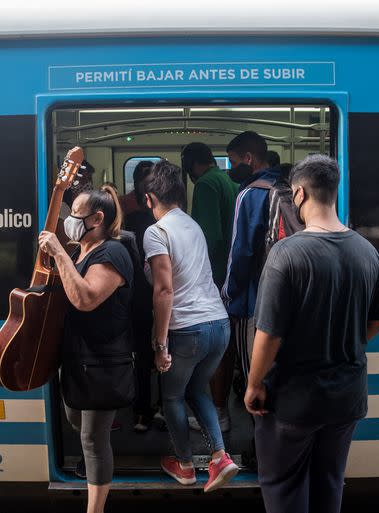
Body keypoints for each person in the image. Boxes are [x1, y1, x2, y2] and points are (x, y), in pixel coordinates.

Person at [244, 155, 379, 513]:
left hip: (296, 400)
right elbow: (378, 322)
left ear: (298, 195)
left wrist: (254, 384)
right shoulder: (367, 252)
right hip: (347, 400)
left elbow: (269, 333)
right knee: (329, 485)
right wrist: (340, 345)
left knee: (285, 490)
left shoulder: (287, 254)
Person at [142, 161, 239, 492]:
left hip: (187, 330)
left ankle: (184, 464)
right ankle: (220, 457)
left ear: (149, 199)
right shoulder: (193, 225)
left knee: (171, 396)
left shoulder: (157, 232)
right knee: (198, 390)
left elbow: (164, 290)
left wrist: (160, 345)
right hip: (218, 325)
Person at [39, 185, 134, 513]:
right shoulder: (82, 251)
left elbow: (86, 298)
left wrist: (59, 252)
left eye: (75, 215)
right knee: (81, 426)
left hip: (102, 364)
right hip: (79, 361)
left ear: (97, 218)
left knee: (93, 440)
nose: (69, 221)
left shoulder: (112, 254)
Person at [181, 142, 238, 432]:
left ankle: (217, 412)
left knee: (216, 348)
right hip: (233, 275)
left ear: (190, 165)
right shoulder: (228, 179)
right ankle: (222, 408)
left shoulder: (204, 185)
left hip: (214, 277)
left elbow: (208, 237)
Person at [222, 131, 280, 386]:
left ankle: (259, 423)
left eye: (233, 162)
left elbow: (240, 252)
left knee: (254, 378)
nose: (231, 169)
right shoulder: (286, 186)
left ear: (248, 158)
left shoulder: (249, 194)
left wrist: (228, 294)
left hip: (254, 301)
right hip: (285, 293)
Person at [123, 160, 160, 432]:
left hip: (154, 289)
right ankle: (144, 409)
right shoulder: (133, 214)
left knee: (157, 351)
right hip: (140, 290)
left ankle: (154, 408)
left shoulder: (159, 216)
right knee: (144, 353)